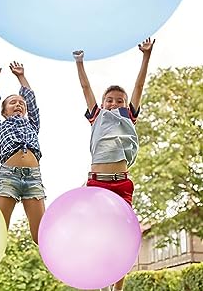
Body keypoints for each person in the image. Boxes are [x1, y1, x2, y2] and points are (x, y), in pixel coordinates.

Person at [73, 37, 155, 291]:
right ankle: (98, 281)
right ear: (103, 102)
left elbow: (139, 84)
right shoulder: (97, 115)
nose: (114, 103)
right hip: (97, 183)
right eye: (110, 99)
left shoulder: (128, 115)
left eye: (119, 100)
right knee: (96, 234)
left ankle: (117, 289)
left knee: (121, 237)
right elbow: (86, 86)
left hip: (121, 184)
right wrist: (79, 62)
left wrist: (146, 56)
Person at [0, 61, 46, 245]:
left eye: (21, 103)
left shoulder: (32, 124)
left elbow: (31, 100)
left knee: (40, 236)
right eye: (13, 102)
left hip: (33, 178)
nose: (18, 104)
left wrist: (21, 76)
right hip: (9, 177)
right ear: (4, 111)